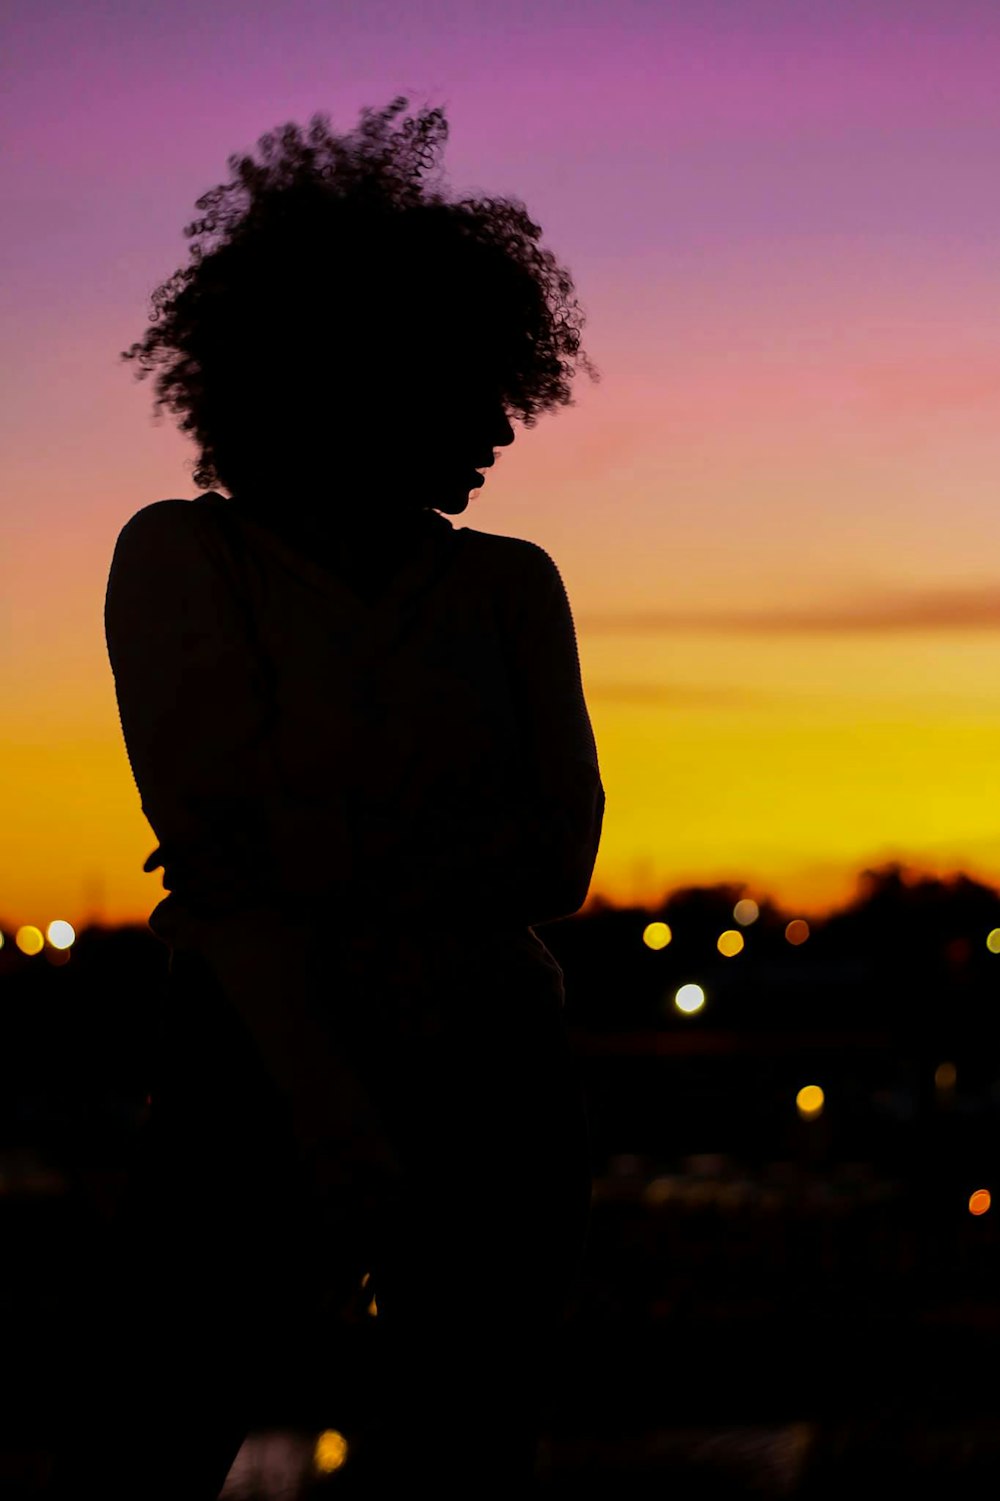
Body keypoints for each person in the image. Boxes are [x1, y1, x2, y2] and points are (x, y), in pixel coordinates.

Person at [48, 95, 605, 1499]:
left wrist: (308, 852)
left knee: (466, 1462)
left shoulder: (509, 583)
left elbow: (558, 857)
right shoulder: (185, 557)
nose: (500, 426)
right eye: (465, 386)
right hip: (252, 1064)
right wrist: (332, 1106)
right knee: (147, 1443)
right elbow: (231, 864)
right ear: (358, 377)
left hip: (495, 1086)